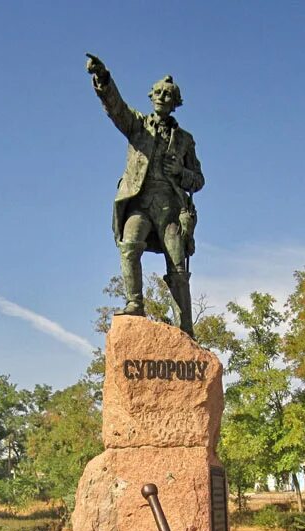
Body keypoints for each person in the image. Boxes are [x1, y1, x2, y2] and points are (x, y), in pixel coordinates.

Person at [86, 53, 204, 336]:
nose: (163, 96)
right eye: (159, 92)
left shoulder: (185, 140)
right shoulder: (137, 126)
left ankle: (185, 327)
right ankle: (135, 303)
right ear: (151, 96)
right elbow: (116, 109)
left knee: (177, 267)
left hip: (169, 205)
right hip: (139, 201)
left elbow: (198, 181)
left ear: (176, 103)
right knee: (129, 245)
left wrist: (180, 171)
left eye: (169, 94)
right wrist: (103, 79)